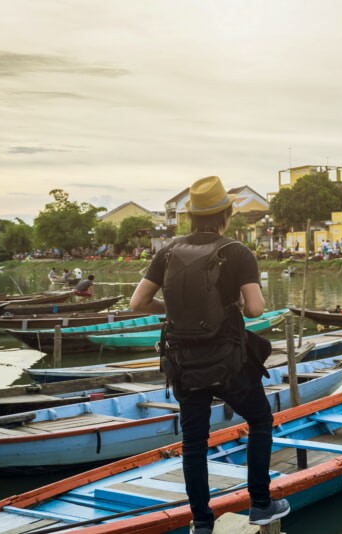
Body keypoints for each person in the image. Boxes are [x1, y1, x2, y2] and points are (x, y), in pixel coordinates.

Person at [130, 176, 289, 531]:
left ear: (191, 217)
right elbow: (255, 310)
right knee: (261, 421)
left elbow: (137, 301)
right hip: (229, 360)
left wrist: (173, 311)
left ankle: (202, 522)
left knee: (194, 443)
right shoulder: (237, 251)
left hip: (184, 363)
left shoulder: (168, 251)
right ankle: (261, 504)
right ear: (227, 213)